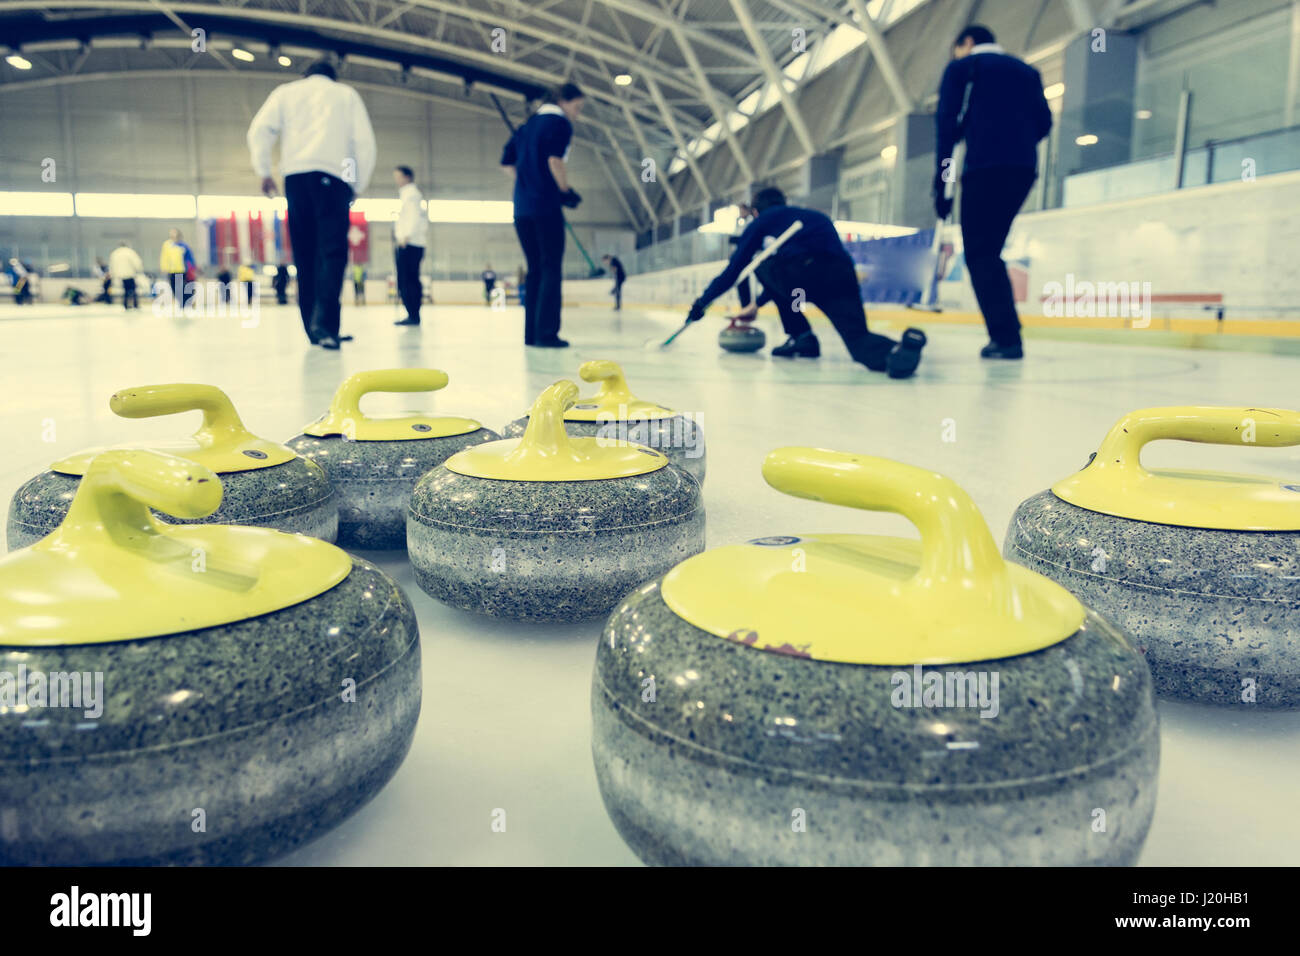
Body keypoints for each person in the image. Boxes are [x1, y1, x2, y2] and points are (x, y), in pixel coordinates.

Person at [685, 187, 926, 379]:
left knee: (760, 262)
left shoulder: (762, 221)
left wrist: (702, 303)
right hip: (841, 276)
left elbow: (735, 270)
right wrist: (758, 304)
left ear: (756, 211)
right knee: (858, 341)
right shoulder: (816, 216)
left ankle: (801, 336)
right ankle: (897, 351)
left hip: (805, 276)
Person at [935, 24, 1052, 361]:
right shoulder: (1027, 71)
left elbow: (945, 127)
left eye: (956, 48)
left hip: (984, 169)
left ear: (967, 43)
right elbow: (1044, 123)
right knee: (990, 251)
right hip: (1023, 170)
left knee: (980, 254)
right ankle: (1007, 334)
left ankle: (1006, 338)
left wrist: (941, 186)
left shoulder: (963, 68)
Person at [247, 59, 377, 350]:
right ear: (333, 77)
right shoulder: (346, 95)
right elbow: (363, 144)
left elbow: (260, 130)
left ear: (305, 75)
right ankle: (326, 326)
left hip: (295, 178)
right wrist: (355, 184)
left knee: (304, 254)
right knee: (331, 254)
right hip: (333, 178)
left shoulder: (286, 92)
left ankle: (312, 328)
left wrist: (264, 170)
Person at [500, 82, 585, 348]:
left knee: (535, 269)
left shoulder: (527, 126)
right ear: (563, 100)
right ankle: (546, 333)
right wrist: (564, 191)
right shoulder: (559, 124)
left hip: (521, 208)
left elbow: (506, 163)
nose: (577, 114)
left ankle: (531, 334)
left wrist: (527, 182)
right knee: (551, 267)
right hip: (546, 207)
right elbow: (554, 161)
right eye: (577, 107)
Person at [392, 165, 428, 327]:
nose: (396, 180)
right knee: (408, 279)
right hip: (410, 242)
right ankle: (412, 314)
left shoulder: (411, 194)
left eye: (398, 176)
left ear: (407, 177)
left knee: (408, 280)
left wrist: (406, 237)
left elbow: (413, 217)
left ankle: (413, 314)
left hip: (409, 243)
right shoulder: (408, 194)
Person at [160, 228, 197, 309]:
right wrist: (164, 267)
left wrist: (192, 268)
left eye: (175, 234)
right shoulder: (166, 245)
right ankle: (183, 302)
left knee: (181, 289)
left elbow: (189, 259)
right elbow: (164, 257)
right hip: (171, 271)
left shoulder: (183, 246)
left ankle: (184, 303)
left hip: (181, 271)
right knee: (174, 289)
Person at [108, 240, 143, 310]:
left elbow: (111, 265)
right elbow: (137, 262)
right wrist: (139, 270)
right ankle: (135, 304)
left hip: (120, 275)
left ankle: (125, 305)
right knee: (133, 289)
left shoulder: (115, 253)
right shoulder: (130, 252)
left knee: (125, 290)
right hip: (130, 274)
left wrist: (113, 273)